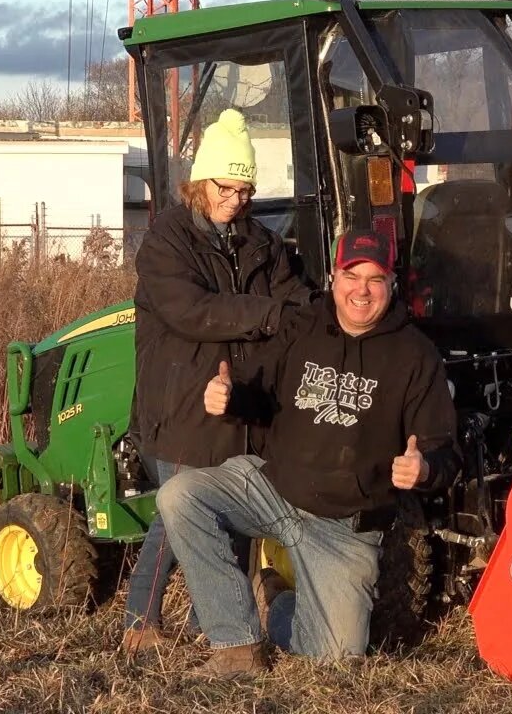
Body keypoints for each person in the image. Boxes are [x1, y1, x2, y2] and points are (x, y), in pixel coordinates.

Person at [156, 227, 460, 679]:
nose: (362, 290)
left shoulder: (415, 357)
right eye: (351, 276)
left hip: (345, 527)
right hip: (273, 488)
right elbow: (256, 391)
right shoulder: (302, 327)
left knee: (334, 660)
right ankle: (236, 645)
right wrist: (230, 398)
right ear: (333, 278)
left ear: (391, 285)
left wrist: (424, 468)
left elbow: (444, 453)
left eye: (375, 279)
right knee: (180, 495)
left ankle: (277, 603)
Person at [125, 108, 312, 653]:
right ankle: (139, 624)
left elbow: (296, 300)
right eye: (225, 188)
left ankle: (228, 621)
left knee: (232, 514)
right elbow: (192, 311)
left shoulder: (261, 242)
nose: (235, 200)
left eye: (245, 190)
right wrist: (269, 315)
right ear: (199, 181)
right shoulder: (166, 242)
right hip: (182, 403)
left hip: (241, 402)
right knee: (173, 519)